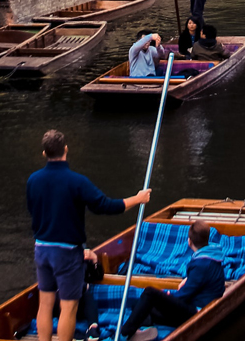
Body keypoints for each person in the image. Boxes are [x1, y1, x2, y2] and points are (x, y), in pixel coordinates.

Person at [28, 130, 152, 341]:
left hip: (41, 249)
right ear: (66, 149)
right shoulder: (76, 181)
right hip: (66, 253)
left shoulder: (33, 180)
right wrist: (137, 199)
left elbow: (33, 210)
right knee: (69, 307)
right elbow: (105, 206)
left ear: (44, 153)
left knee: (45, 305)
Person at [120, 221, 226, 341]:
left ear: (189, 241)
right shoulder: (214, 255)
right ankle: (144, 330)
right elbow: (200, 282)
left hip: (197, 312)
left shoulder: (201, 264)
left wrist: (167, 294)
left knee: (150, 293)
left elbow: (183, 296)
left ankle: (123, 334)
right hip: (198, 304)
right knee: (139, 304)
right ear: (207, 239)